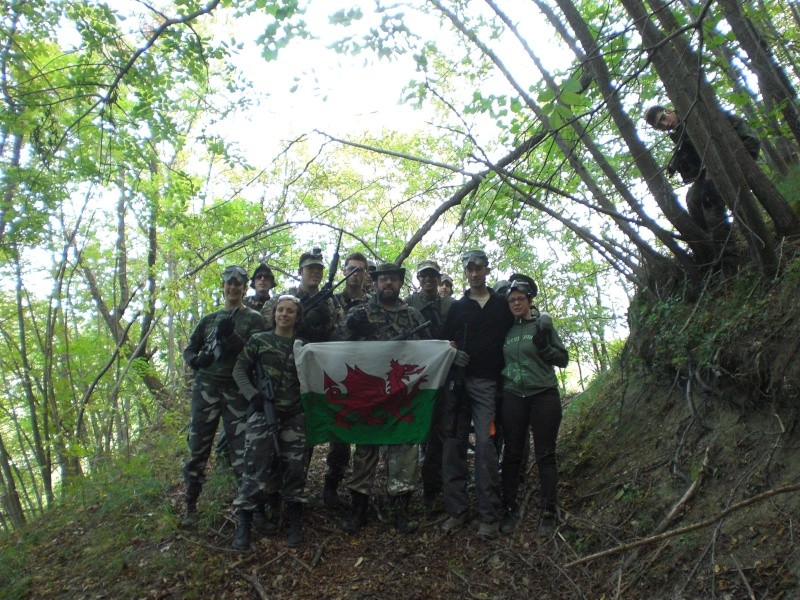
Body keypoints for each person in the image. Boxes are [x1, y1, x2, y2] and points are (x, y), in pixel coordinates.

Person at [334, 262, 429, 534]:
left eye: (393, 279)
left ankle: (399, 510)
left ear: (400, 284)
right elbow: (335, 343)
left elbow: (429, 348)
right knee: (365, 450)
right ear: (374, 283)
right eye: (383, 279)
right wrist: (350, 326)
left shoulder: (412, 315)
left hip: (400, 396)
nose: (388, 283)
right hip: (369, 394)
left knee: (403, 450)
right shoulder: (361, 312)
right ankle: (358, 510)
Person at [181, 265, 266, 528]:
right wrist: (198, 360)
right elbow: (190, 349)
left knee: (242, 452)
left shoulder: (253, 318)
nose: (233, 288)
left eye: (238, 284)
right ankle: (190, 506)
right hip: (206, 389)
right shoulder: (209, 319)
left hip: (236, 389)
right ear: (224, 286)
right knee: (198, 448)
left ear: (244, 288)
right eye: (230, 283)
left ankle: (249, 509)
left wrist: (232, 339)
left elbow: (256, 352)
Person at [438, 249, 513, 539]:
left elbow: (516, 335)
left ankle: (488, 515)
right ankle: (457, 510)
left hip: (487, 385)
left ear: (487, 270)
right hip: (458, 385)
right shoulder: (458, 307)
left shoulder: (501, 305)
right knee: (453, 445)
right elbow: (446, 341)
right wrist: (454, 354)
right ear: (465, 273)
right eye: (469, 269)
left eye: (479, 268)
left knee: (485, 445)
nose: (474, 273)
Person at [231, 295, 306, 550]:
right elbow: (239, 369)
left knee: (295, 469)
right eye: (281, 310)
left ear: (297, 316)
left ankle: (294, 522)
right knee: (256, 468)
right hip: (264, 413)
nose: (284, 315)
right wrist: (253, 396)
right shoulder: (259, 340)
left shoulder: (302, 347)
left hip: (294, 415)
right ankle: (245, 522)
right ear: (273, 314)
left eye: (290, 311)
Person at [499, 278, 569, 536]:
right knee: (512, 454)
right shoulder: (505, 329)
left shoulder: (542, 325)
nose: (516, 303)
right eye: (512, 300)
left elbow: (563, 359)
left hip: (543, 395)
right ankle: (509, 509)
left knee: (545, 454)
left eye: (520, 299)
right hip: (513, 395)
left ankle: (549, 511)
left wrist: (545, 346)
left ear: (529, 301)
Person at [644, 105, 761, 256]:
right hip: (714, 170)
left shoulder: (696, 113)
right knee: (692, 199)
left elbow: (745, 136)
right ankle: (710, 248)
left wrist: (728, 163)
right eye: (660, 126)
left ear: (670, 110)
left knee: (709, 200)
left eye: (663, 118)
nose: (665, 125)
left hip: (737, 157)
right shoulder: (680, 135)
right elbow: (700, 163)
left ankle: (729, 255)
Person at [320, 251, 371, 510]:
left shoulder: (373, 302)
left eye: (360, 269)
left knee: (364, 435)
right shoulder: (330, 301)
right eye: (351, 268)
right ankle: (331, 487)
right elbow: (324, 337)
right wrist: (348, 326)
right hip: (338, 376)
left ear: (366, 274)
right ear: (343, 271)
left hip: (366, 378)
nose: (355, 273)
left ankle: (360, 494)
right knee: (339, 436)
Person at [405, 259, 453, 509]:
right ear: (418, 278)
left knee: (438, 434)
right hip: (415, 377)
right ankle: (402, 491)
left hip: (442, 376)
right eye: (424, 276)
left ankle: (432, 490)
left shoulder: (450, 304)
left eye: (432, 276)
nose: (428, 280)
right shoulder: (409, 303)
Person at [262, 249, 341, 343]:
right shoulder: (282, 298)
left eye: (319, 269)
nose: (315, 272)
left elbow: (339, 334)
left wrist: (328, 322)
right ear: (300, 272)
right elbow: (266, 323)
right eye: (310, 268)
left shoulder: (329, 302)